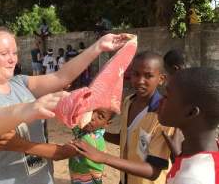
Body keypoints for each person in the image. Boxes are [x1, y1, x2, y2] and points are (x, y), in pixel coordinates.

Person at [0, 26, 131, 184]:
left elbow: (61, 77)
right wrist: (27, 109)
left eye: (14, 53)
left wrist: (98, 46)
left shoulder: (21, 83)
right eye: (4, 54)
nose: (12, 60)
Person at [72, 51, 174, 184]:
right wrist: (96, 132)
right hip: (125, 179)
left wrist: (103, 157)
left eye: (148, 76)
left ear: (161, 79)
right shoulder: (128, 102)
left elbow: (153, 171)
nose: (140, 81)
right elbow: (125, 138)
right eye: (136, 74)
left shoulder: (164, 117)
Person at [0, 108, 116, 184]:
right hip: (80, 178)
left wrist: (19, 144)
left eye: (100, 116)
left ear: (106, 124)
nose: (92, 117)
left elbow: (61, 153)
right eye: (92, 111)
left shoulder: (90, 138)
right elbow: (73, 125)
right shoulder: (87, 130)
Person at [157, 67, 219, 184]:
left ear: (190, 112)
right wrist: (179, 155)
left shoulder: (192, 179)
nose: (160, 100)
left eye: (167, 96)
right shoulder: (209, 148)